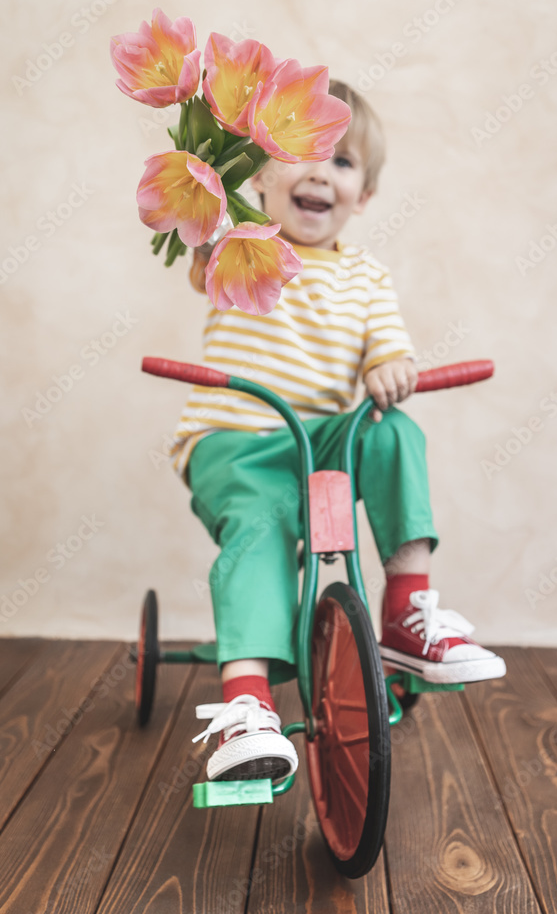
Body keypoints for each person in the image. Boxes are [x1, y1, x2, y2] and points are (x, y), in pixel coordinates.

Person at [170, 80, 506, 784]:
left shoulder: (365, 277)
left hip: (320, 437)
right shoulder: (236, 242)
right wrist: (207, 163)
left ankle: (407, 614)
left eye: (344, 162)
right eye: (301, 151)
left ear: (364, 197)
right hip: (234, 441)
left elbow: (387, 348)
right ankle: (247, 706)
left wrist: (390, 369)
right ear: (258, 170)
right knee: (261, 523)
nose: (321, 171)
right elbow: (192, 229)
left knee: (391, 431)